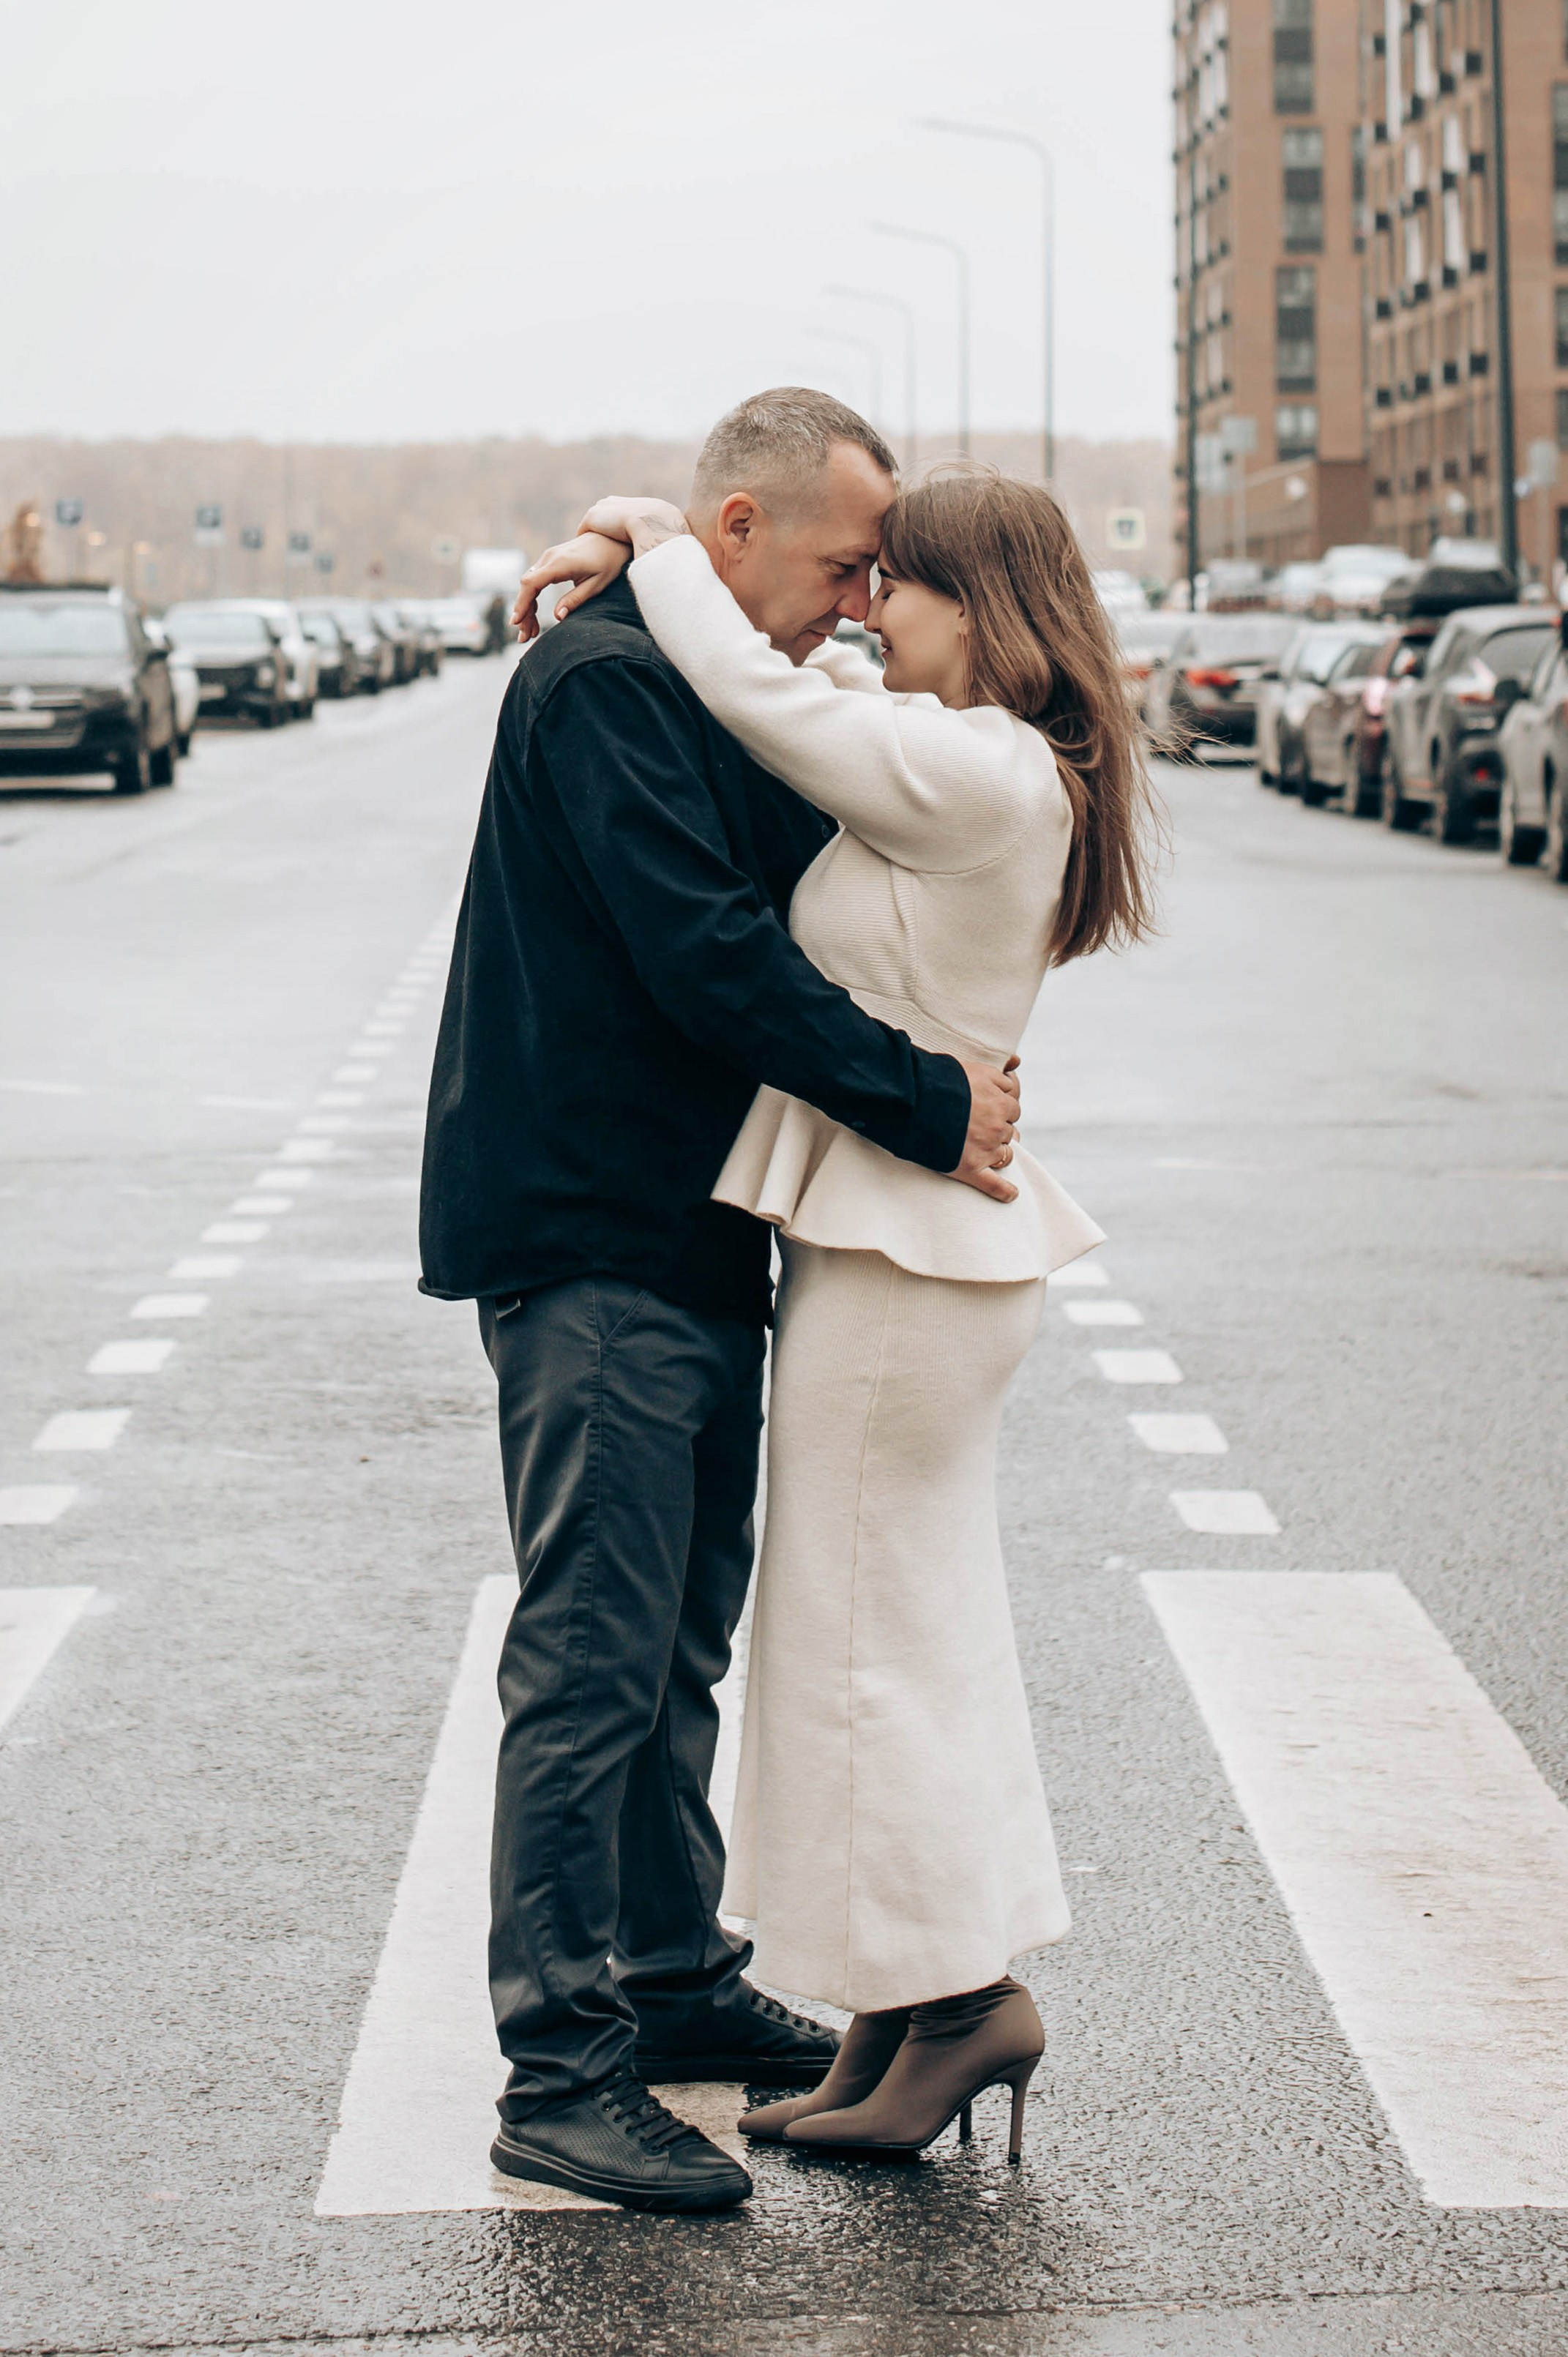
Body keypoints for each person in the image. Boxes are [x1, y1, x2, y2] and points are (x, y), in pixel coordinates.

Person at [511, 460, 1160, 2172]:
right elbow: (793, 687)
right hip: (902, 1245)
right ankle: (912, 1999)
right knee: (888, 1632)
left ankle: (956, 2001)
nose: (872, 612)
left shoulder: (973, 766)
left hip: (914, 1257)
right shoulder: (977, 757)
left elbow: (747, 687)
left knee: (880, 1643)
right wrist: (644, 537)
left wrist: (650, 541)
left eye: (902, 586)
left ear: (981, 606)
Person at [418, 389, 1025, 2216]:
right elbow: (709, 954)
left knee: (675, 1636)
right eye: (841, 564)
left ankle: (673, 1979)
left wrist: (630, 531)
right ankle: (561, 2065)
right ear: (738, 531)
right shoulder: (604, 686)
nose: (854, 605)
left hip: (685, 1235)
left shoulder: (688, 673)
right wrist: (935, 1104)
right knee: (592, 1655)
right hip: (592, 1229)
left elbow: (813, 867)